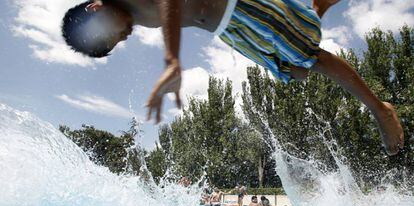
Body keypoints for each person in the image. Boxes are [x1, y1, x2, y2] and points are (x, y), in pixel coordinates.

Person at [62, 0, 404, 156]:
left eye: (111, 36)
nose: (123, 37)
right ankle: (318, 5)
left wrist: (172, 60)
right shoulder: (135, 17)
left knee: (308, 56)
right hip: (232, 30)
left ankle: (380, 109)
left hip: (237, 6)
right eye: (116, 43)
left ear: (95, 8)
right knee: (295, 70)